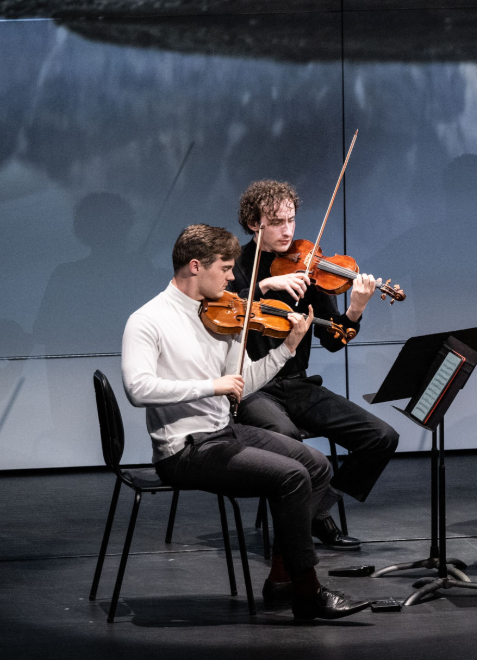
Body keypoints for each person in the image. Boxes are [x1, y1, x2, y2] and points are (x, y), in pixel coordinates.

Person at [121, 224, 369, 620]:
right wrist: (209, 385)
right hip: (184, 449)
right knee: (290, 477)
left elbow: (244, 380)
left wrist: (287, 349)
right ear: (196, 266)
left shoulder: (221, 314)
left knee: (316, 465)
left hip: (223, 432)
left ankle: (282, 576)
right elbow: (138, 389)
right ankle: (308, 592)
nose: (234, 277)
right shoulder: (148, 320)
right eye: (226, 268)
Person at [230, 180, 399, 551]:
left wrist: (355, 309)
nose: (288, 230)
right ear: (253, 223)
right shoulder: (235, 265)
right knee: (289, 442)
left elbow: (334, 340)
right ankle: (313, 525)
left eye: (291, 219)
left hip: (296, 383)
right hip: (251, 387)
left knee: (382, 437)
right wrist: (266, 286)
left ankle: (316, 510)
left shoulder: (309, 271)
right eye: (276, 222)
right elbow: (220, 307)